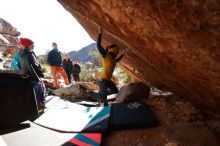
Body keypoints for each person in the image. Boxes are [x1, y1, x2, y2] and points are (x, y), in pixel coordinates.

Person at [91, 28, 125, 106]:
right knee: (104, 99)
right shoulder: (106, 55)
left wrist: (123, 54)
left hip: (107, 81)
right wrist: (100, 33)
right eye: (116, 51)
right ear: (113, 50)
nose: (117, 52)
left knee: (115, 91)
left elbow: (118, 60)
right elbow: (98, 46)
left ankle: (102, 93)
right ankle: (90, 93)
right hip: (102, 80)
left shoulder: (113, 59)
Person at [18, 38, 45, 107]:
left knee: (40, 86)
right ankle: (38, 104)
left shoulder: (24, 55)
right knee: (40, 86)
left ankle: (38, 104)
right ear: (27, 45)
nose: (33, 45)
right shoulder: (29, 55)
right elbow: (32, 68)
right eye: (31, 44)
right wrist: (38, 78)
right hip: (31, 78)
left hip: (28, 77)